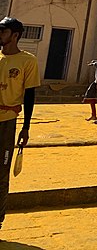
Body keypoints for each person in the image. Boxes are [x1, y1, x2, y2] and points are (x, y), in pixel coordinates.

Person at [0, 17, 39, 231]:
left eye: (3, 31)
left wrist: (26, 127)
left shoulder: (27, 61)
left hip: (6, 122)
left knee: (1, 173)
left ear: (15, 35)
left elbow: (30, 95)